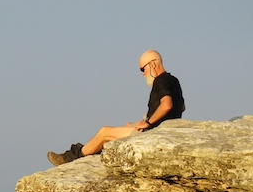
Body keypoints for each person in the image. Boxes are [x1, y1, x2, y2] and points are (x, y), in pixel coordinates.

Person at [47, 50, 185, 166]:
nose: (143, 73)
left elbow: (167, 104)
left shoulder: (160, 80)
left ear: (153, 64)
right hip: (160, 131)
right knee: (113, 133)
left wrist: (147, 123)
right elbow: (182, 107)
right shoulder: (174, 80)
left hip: (153, 133)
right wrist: (141, 123)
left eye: (143, 69)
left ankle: (71, 158)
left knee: (104, 132)